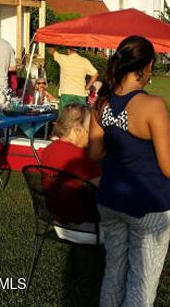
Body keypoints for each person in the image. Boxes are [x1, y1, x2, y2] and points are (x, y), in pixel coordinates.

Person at [88, 35, 170, 307]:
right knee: (141, 283)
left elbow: (95, 153)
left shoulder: (102, 103)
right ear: (148, 66)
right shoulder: (152, 106)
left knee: (114, 271)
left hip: (111, 199)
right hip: (148, 204)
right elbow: (168, 168)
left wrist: (117, 133)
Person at [41, 103, 101, 243]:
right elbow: (104, 188)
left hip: (58, 224)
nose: (91, 136)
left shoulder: (48, 150)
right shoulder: (80, 157)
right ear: (76, 130)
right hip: (86, 228)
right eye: (89, 131)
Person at [47, 46, 99, 111]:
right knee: (80, 118)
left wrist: (51, 45)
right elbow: (95, 74)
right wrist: (87, 87)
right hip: (80, 94)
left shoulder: (64, 58)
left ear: (68, 50)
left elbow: (52, 51)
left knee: (64, 118)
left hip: (66, 93)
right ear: (78, 51)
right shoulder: (85, 61)